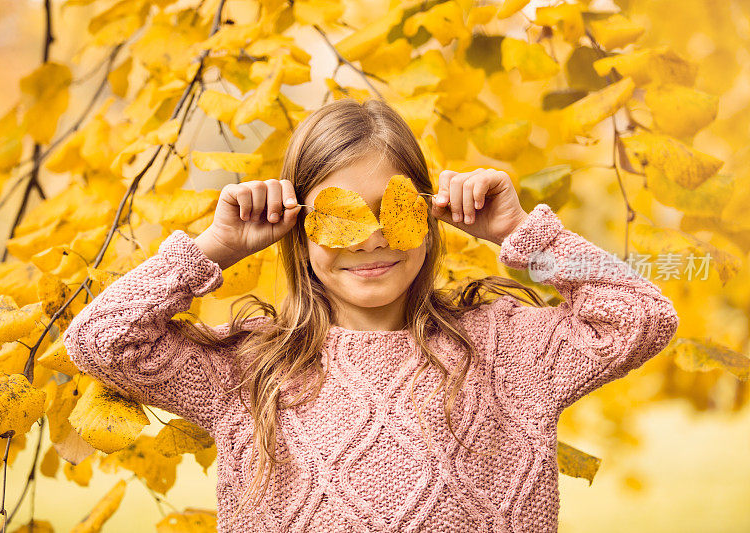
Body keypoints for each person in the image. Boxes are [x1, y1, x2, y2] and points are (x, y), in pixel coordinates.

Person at [63, 98, 679, 532]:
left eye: (393, 210)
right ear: (299, 231)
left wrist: (519, 233)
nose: (369, 241)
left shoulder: (507, 352)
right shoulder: (246, 371)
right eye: (340, 217)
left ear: (430, 214)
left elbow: (639, 315)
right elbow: (101, 338)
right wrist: (215, 249)